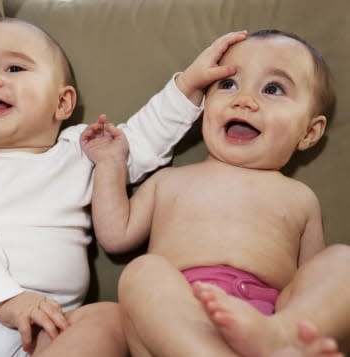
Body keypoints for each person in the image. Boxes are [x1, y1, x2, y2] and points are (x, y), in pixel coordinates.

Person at [0, 17, 247, 357]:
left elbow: (137, 142)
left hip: (46, 329)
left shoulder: (81, 151)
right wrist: (4, 300)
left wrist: (190, 85)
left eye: (14, 68)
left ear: (63, 103)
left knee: (110, 319)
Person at [81, 29, 350, 357]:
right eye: (228, 84)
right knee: (142, 272)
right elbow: (115, 234)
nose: (244, 100)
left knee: (342, 261)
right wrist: (111, 164)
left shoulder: (299, 198)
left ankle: (284, 336)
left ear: (309, 132)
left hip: (269, 321)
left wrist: (293, 322)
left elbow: (313, 283)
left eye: (273, 89)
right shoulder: (169, 181)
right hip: (176, 324)